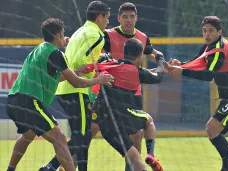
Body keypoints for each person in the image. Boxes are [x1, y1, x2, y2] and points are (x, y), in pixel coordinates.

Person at [6, 18, 113, 171]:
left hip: (13, 100)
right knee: (60, 139)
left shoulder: (39, 49)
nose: (65, 37)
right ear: (57, 35)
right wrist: (99, 79)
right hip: (28, 102)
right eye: (63, 34)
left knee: (28, 135)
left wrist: (77, 71)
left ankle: (10, 169)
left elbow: (60, 77)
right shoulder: (55, 54)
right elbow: (76, 83)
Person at [91, 2, 163, 170]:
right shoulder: (107, 35)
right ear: (118, 19)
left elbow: (152, 53)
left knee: (136, 135)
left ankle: (132, 166)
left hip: (132, 93)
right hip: (107, 91)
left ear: (136, 18)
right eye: (125, 17)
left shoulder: (143, 38)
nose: (129, 20)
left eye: (132, 17)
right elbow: (92, 49)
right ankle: (60, 162)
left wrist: (168, 65)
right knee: (90, 129)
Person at [39, 1, 110, 171]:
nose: (108, 21)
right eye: (107, 18)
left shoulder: (80, 31)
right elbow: (81, 62)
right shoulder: (96, 35)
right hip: (76, 90)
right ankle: (50, 166)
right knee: (83, 136)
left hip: (64, 89)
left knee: (81, 135)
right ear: (99, 17)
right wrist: (97, 74)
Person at [167, 16, 228, 171]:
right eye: (204, 31)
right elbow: (195, 63)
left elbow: (208, 75)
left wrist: (182, 71)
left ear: (219, 32)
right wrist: (180, 65)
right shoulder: (208, 47)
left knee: (212, 128)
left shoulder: (219, 49)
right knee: (215, 131)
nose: (206, 34)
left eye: (211, 31)